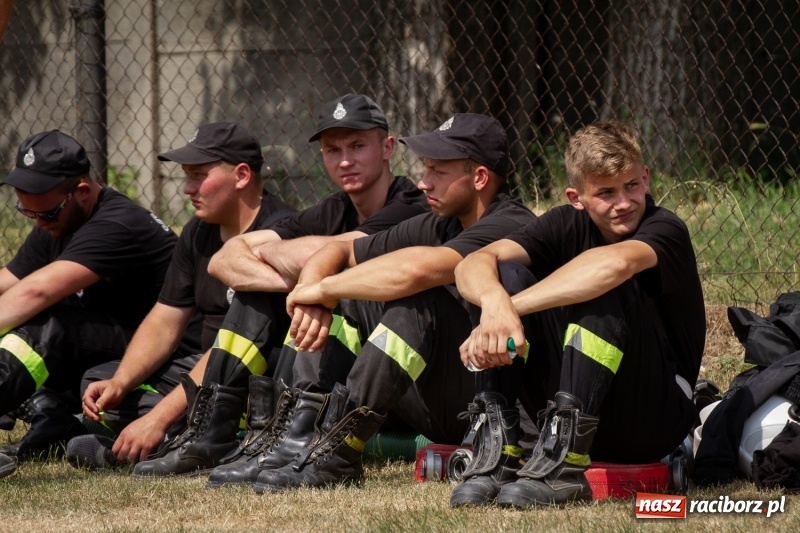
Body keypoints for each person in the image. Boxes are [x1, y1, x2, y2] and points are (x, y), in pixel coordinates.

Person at [222, 113, 535, 493]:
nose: (423, 182)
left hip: (494, 408)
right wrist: (313, 292)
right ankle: (300, 435)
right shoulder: (440, 222)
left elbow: (418, 270)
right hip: (443, 399)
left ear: (480, 178)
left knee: (418, 301)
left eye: (437, 171)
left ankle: (342, 448)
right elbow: (338, 249)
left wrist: (324, 290)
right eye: (425, 169)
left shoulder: (510, 223)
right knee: (351, 294)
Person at [128, 93, 429, 477]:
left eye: (357, 146)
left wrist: (302, 272)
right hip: (341, 380)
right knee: (264, 291)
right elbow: (227, 258)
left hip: (394, 388)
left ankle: (285, 434)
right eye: (332, 150)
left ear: (387, 148)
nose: (344, 160)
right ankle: (213, 434)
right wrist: (298, 281)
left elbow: (341, 252)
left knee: (327, 291)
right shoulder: (332, 209)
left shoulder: (411, 206)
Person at [450, 120, 705, 508]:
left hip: (651, 420)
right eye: (606, 193)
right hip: (566, 412)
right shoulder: (563, 223)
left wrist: (508, 310)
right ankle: (497, 450)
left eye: (631, 186)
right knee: (505, 275)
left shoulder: (665, 228)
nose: (624, 202)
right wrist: (495, 303)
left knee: (605, 280)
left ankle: (565, 465)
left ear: (646, 178)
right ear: (576, 197)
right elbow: (472, 263)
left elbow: (613, 265)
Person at [67, 122, 295, 468]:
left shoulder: (281, 231)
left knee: (189, 404)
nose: (188, 188)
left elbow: (233, 347)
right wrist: (121, 382)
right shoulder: (197, 231)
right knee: (102, 384)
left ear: (242, 175)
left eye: (199, 175)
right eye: (187, 176)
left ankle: (192, 437)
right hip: (206, 371)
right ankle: (197, 435)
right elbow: (165, 321)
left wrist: (157, 418)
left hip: (261, 381)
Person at [0, 129, 178, 477]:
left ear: (81, 191)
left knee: (45, 325)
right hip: (106, 347)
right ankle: (52, 420)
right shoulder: (59, 221)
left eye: (46, 214)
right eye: (28, 212)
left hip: (161, 357)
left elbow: (35, 292)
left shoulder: (118, 223)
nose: (38, 222)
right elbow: (9, 280)